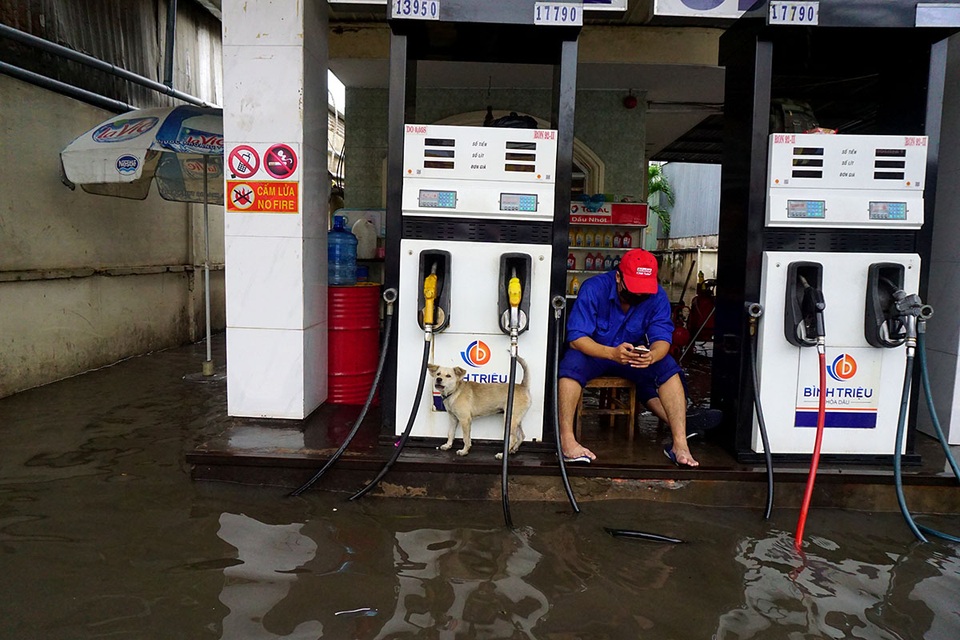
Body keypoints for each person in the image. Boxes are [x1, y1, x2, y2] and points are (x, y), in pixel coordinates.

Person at [558, 248, 699, 467]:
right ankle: (567, 441)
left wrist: (652, 356)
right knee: (570, 365)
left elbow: (662, 338)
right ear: (618, 277)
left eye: (644, 291)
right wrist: (611, 353)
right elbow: (577, 338)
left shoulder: (657, 296)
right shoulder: (594, 289)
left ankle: (680, 443)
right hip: (595, 353)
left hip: (631, 356)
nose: (639, 295)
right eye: (634, 288)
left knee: (667, 366)